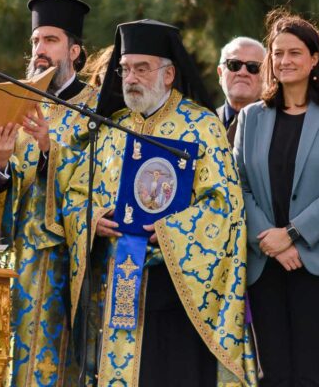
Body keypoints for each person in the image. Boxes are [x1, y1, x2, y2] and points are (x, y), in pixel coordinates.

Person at [61, 19, 252, 386]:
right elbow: (76, 196)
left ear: (168, 74)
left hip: (179, 289)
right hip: (117, 282)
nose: (130, 77)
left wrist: (168, 230)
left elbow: (223, 206)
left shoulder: (201, 126)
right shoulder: (111, 127)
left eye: (141, 68)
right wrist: (94, 219)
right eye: (125, 68)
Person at [234, 12, 319, 387]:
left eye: (295, 53)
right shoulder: (252, 117)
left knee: (310, 371)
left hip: (317, 261)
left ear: (315, 58)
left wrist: (292, 235)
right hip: (264, 260)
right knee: (273, 371)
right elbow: (239, 185)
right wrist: (271, 240)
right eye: (277, 53)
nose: (285, 61)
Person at [0, 0, 98, 386]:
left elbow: (99, 174)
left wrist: (51, 148)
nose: (40, 50)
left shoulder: (94, 106)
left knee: (54, 361)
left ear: (75, 51)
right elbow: (5, 179)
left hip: (71, 251)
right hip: (20, 252)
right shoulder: (16, 99)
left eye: (50, 40)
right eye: (35, 41)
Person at [216, 36, 265, 143]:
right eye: (234, 64)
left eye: (253, 67)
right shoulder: (202, 123)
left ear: (266, 77)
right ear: (220, 74)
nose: (243, 73)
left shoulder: (278, 125)